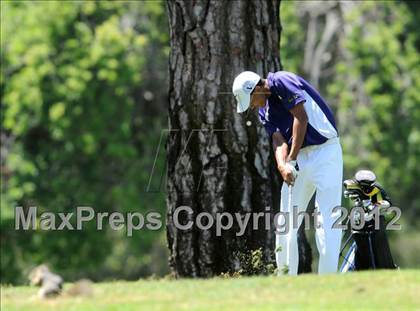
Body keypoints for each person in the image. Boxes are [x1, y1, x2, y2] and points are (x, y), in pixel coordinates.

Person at [232, 70, 343, 275]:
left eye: (252, 100)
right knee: (285, 221)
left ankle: (328, 279)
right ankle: (285, 277)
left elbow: (301, 117)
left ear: (258, 88)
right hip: (299, 157)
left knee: (327, 219)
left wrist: (290, 158)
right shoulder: (264, 111)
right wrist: (282, 165)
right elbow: (277, 140)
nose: (253, 105)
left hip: (326, 152)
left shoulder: (281, 81)